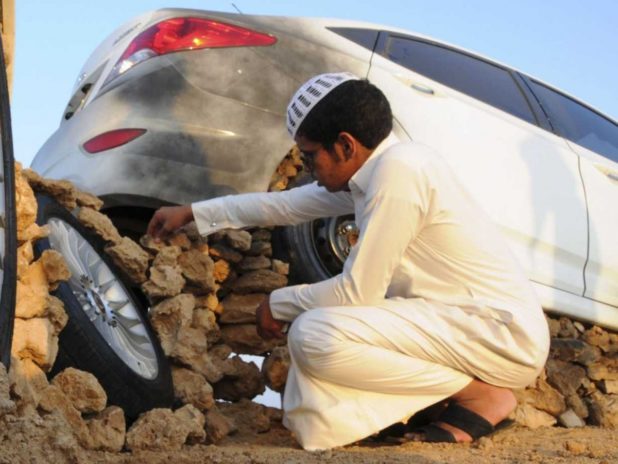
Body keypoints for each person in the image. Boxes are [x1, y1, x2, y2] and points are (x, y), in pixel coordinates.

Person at [147, 72, 550, 450]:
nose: (308, 170)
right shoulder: (371, 174)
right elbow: (282, 206)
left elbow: (359, 291)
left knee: (314, 333)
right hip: (452, 325)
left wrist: (278, 302)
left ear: (345, 145)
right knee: (312, 366)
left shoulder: (400, 171)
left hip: (498, 334)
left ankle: (477, 395)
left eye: (308, 158)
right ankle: (422, 406)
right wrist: (193, 213)